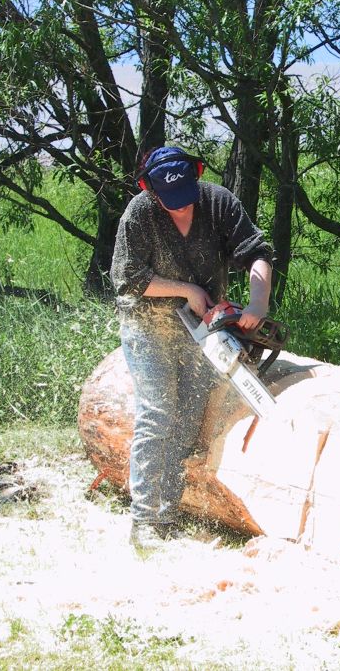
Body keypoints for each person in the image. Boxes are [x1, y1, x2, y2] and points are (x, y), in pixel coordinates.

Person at [110, 146, 273, 552]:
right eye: (172, 204)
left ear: (196, 178)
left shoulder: (218, 202)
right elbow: (127, 278)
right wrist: (187, 289)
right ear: (150, 190)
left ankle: (171, 509)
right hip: (147, 322)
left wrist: (257, 304)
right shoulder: (139, 213)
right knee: (158, 411)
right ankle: (146, 519)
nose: (182, 210)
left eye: (186, 200)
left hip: (200, 328)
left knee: (190, 412)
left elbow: (256, 252)